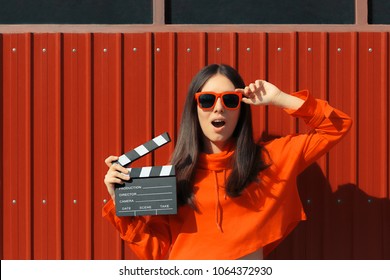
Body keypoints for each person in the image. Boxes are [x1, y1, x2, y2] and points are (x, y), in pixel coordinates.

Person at [102, 64, 352, 260]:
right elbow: (153, 250)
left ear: (241, 108)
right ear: (195, 108)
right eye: (208, 100)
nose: (218, 108)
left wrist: (279, 98)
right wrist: (119, 200)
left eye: (230, 100)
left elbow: (336, 126)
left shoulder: (272, 160)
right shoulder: (175, 177)